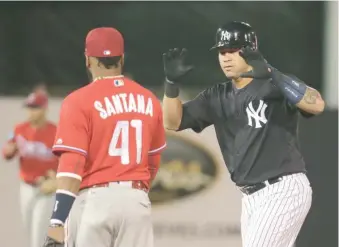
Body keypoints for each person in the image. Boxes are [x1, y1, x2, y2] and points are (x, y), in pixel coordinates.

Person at [161, 21, 325, 247]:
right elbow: (172, 121)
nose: (226, 57)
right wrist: (171, 86)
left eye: (233, 50)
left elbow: (316, 104)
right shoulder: (217, 96)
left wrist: (270, 71)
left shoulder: (274, 84)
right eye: (222, 51)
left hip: (282, 189)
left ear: (250, 50)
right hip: (251, 197)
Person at [43, 27, 166, 247]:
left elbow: (72, 166)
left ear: (88, 60)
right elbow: (153, 163)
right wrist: (133, 195)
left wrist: (57, 221)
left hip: (94, 201)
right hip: (136, 202)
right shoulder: (149, 99)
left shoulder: (78, 101)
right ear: (122, 58)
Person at [2, 90, 58, 247]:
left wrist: (57, 178)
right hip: (26, 187)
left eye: (35, 107)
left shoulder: (55, 131)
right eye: (29, 107)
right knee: (29, 229)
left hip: (46, 188)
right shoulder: (19, 129)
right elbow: (7, 151)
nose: (31, 111)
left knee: (38, 234)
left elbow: (65, 159)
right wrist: (9, 150)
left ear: (44, 108)